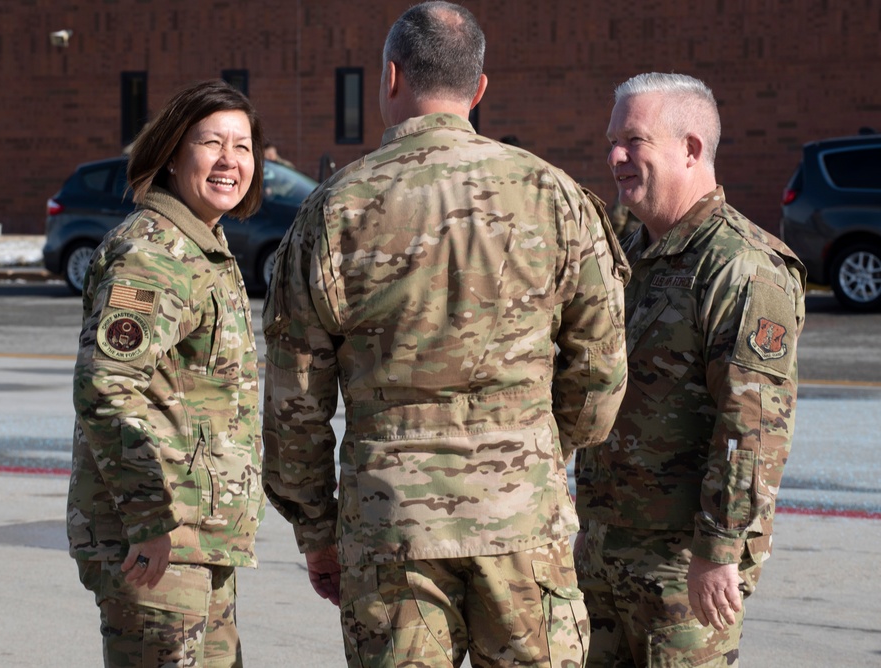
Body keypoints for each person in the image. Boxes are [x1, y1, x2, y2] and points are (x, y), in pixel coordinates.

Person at [262, 3, 629, 666]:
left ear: (391, 77)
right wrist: (536, 448)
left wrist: (317, 532)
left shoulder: (335, 209)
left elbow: (296, 401)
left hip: (391, 527)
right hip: (522, 523)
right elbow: (601, 373)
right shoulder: (556, 197)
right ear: (479, 89)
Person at [574, 72, 806, 667]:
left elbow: (752, 427)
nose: (615, 156)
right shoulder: (628, 253)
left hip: (681, 572)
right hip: (603, 556)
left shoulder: (742, 267)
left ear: (691, 148)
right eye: (612, 141)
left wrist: (720, 549)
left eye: (634, 140)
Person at [67, 79, 266, 668]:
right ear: (174, 153)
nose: (231, 161)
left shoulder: (201, 245)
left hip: (198, 542)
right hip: (158, 546)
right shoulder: (154, 254)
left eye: (244, 146)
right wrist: (150, 517)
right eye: (212, 143)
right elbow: (105, 386)